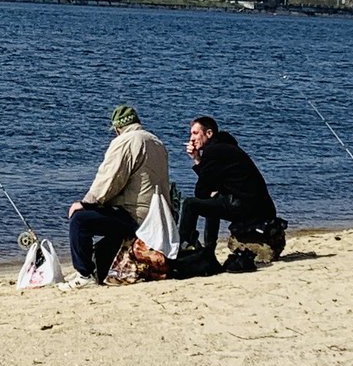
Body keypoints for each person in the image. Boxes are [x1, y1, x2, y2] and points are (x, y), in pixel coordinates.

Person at [57, 104, 169, 290]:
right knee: (106, 227)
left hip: (136, 216)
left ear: (117, 128)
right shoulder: (156, 141)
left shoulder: (125, 142)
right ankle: (93, 270)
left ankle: (84, 275)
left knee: (80, 220)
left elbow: (110, 180)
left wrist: (85, 203)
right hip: (157, 217)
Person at [178, 115, 276, 264]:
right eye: (191, 133)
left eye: (196, 133)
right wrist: (198, 159)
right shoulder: (226, 146)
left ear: (209, 133)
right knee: (213, 200)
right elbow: (211, 183)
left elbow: (201, 191)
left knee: (190, 204)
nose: (191, 138)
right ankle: (209, 249)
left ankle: (182, 248)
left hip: (248, 208)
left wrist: (198, 161)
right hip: (259, 207)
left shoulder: (214, 152)